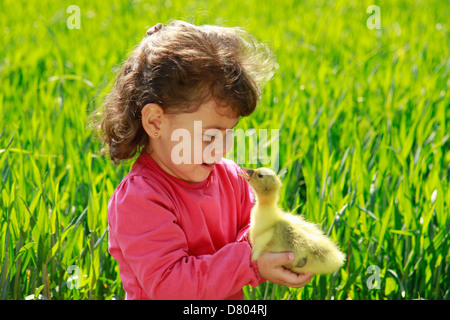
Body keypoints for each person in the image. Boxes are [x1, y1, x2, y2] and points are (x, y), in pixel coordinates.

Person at [93, 20, 313, 300]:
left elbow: (252, 228)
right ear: (155, 121)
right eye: (209, 136)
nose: (220, 150)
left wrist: (274, 244)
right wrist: (252, 262)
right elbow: (171, 286)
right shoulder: (140, 199)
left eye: (229, 133)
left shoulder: (230, 177)